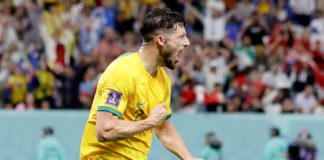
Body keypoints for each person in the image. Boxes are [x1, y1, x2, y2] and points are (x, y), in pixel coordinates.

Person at [80, 8, 201, 160]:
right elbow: (105, 130)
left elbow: (163, 129)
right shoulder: (123, 72)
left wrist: (188, 157)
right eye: (181, 36)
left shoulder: (163, 79)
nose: (187, 42)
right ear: (161, 40)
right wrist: (149, 122)